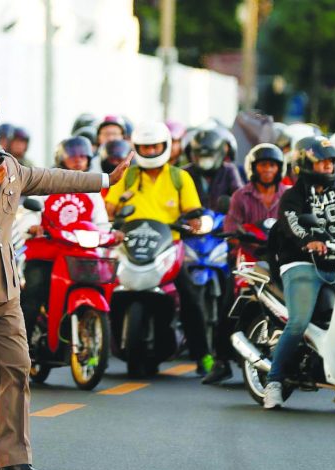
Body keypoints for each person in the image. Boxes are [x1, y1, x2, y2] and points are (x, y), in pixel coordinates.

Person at [0, 89, 127, 470]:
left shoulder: (12, 167)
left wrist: (104, 179)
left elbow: (53, 178)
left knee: (18, 370)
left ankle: (13, 462)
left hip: (4, 292)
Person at [105, 122, 213, 375]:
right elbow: (108, 209)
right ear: (136, 148)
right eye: (145, 147)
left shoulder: (179, 177)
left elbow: (193, 212)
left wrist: (196, 222)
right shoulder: (127, 175)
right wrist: (118, 203)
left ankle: (204, 356)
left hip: (169, 247)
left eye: (155, 146)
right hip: (130, 246)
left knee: (190, 296)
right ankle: (97, 343)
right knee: (107, 287)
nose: (151, 151)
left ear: (165, 147)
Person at [263, 136, 335, 409]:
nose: (328, 166)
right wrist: (309, 241)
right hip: (301, 264)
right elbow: (293, 225)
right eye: (322, 161)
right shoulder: (293, 197)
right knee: (299, 320)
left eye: (331, 162)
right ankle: (274, 381)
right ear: (305, 164)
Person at [202, 143, 288, 385]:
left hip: (281, 261)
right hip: (249, 261)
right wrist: (238, 235)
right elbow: (230, 226)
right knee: (229, 305)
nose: (268, 170)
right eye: (263, 165)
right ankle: (220, 361)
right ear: (254, 168)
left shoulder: (288, 194)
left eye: (272, 165)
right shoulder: (241, 195)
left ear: (279, 168)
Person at [20, 136, 118, 343]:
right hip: (46, 254)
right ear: (61, 158)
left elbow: (101, 223)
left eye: (83, 156)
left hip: (80, 256)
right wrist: (33, 226)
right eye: (72, 155)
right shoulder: (47, 182)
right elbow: (29, 212)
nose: (78, 160)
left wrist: (111, 235)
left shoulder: (93, 190)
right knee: (33, 296)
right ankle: (21, 350)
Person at [184, 128, 243, 211]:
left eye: (208, 157)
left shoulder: (228, 170)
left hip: (222, 220)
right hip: (191, 220)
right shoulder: (185, 173)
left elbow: (240, 195)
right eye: (201, 157)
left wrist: (232, 202)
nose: (204, 161)